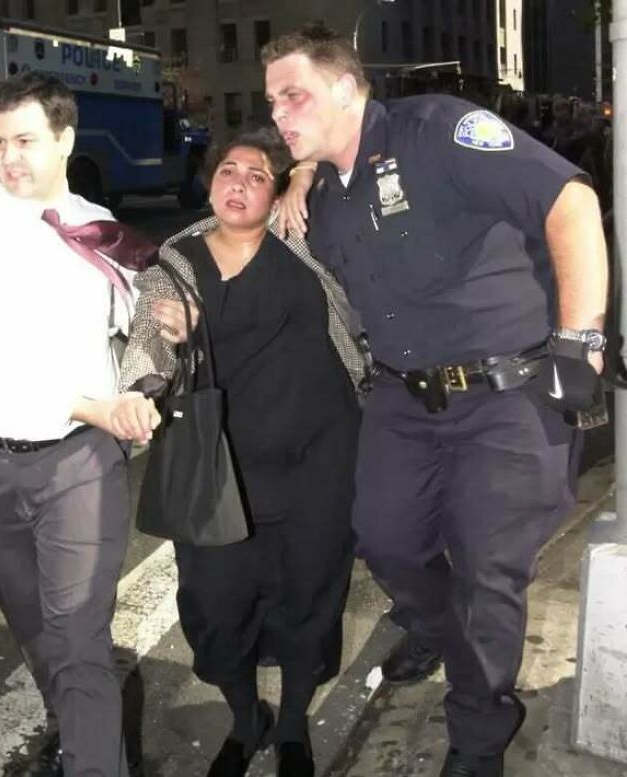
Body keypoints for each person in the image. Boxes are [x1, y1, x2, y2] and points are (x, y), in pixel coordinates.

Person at [263, 25, 608, 777]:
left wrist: (579, 344)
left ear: (349, 88)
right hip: (403, 400)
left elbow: (571, 203)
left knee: (489, 570)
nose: (281, 113)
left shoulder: (440, 130)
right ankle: (439, 630)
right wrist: (297, 174)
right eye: (273, 102)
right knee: (383, 539)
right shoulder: (323, 191)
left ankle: (478, 738)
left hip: (507, 395)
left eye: (296, 95)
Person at [0, 74, 161, 777]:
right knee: (39, 633)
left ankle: (91, 755)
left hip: (77, 467)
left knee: (80, 640)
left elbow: (145, 331)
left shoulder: (101, 234)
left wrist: (149, 369)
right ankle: (78, 731)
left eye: (26, 140)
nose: (9, 158)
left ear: (64, 137)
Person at [119, 127, 367, 777]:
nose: (239, 183)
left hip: (318, 462)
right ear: (209, 181)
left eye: (259, 175)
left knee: (309, 598)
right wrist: (141, 388)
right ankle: (244, 715)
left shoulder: (304, 244)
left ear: (278, 191)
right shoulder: (174, 262)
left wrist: (307, 171)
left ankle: (290, 727)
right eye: (229, 170)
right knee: (216, 607)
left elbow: (349, 148)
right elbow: (148, 338)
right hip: (218, 472)